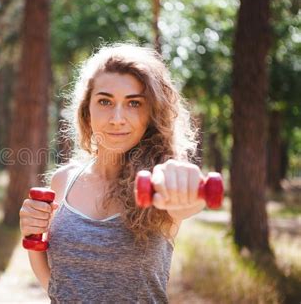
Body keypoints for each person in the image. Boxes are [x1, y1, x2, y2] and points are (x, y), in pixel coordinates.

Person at [19, 43, 207, 303]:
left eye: (134, 103)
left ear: (151, 113)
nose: (117, 118)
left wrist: (187, 183)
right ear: (87, 110)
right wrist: (30, 229)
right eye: (105, 101)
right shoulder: (63, 180)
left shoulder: (156, 183)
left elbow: (187, 201)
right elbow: (55, 278)